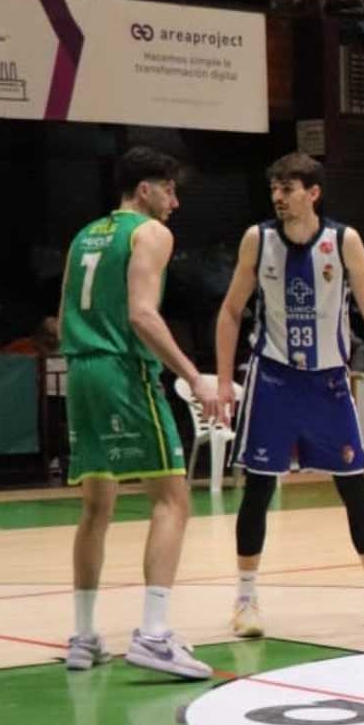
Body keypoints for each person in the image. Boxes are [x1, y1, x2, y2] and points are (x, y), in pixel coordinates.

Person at [214, 155, 364, 639]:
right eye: (274, 188)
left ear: (313, 192)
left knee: (355, 488)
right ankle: (245, 600)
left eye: (288, 187)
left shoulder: (343, 240)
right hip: (274, 380)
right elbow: (229, 312)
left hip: (328, 383)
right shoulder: (257, 239)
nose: (278, 196)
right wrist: (224, 382)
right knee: (259, 489)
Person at [58, 147, 218, 680]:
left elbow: (63, 315)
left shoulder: (85, 235)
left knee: (96, 506)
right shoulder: (149, 233)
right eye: (169, 189)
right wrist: (194, 376)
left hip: (79, 370)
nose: (175, 202)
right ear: (145, 189)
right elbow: (142, 314)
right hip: (123, 371)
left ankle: (83, 636)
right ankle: (152, 634)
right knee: (173, 498)